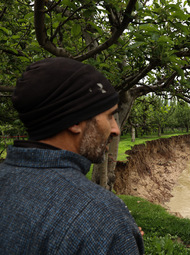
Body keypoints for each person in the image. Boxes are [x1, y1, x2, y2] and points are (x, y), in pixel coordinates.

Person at [0, 57, 144, 254]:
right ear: (75, 120)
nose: (116, 129)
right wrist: (117, 235)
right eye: (109, 116)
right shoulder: (104, 218)